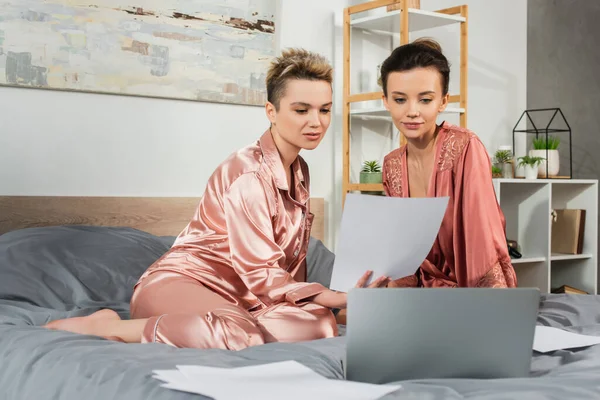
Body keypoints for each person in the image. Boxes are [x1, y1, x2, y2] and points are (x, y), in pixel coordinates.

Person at [44, 48, 389, 350]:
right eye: (302, 110)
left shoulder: (299, 170)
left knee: (321, 324)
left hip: (246, 299)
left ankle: (232, 321)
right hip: (182, 284)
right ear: (271, 111)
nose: (316, 122)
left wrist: (334, 306)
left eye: (324, 110)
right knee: (240, 334)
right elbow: (264, 275)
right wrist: (335, 297)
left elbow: (287, 272)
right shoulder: (248, 174)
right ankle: (110, 326)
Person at [380, 38, 517, 289]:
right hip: (421, 296)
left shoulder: (465, 148)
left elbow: (482, 243)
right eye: (400, 100)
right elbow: (403, 254)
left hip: (473, 293)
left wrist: (486, 310)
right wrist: (392, 297)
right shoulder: (392, 166)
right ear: (386, 101)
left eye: (425, 100)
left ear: (443, 101)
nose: (412, 111)